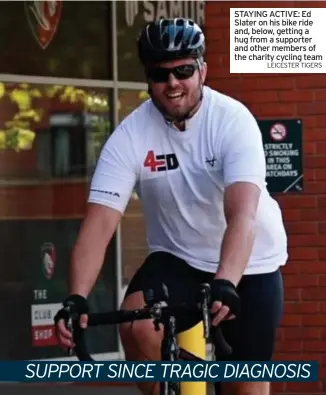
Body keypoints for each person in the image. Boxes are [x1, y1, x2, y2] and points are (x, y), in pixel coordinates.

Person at [54, 18, 287, 395]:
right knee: (137, 325)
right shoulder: (130, 135)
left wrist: (226, 280)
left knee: (245, 386)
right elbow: (98, 226)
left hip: (249, 261)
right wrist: (76, 297)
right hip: (178, 256)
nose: (173, 83)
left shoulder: (232, 121)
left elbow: (242, 214)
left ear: (202, 70)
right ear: (148, 79)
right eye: (161, 75)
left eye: (183, 70)